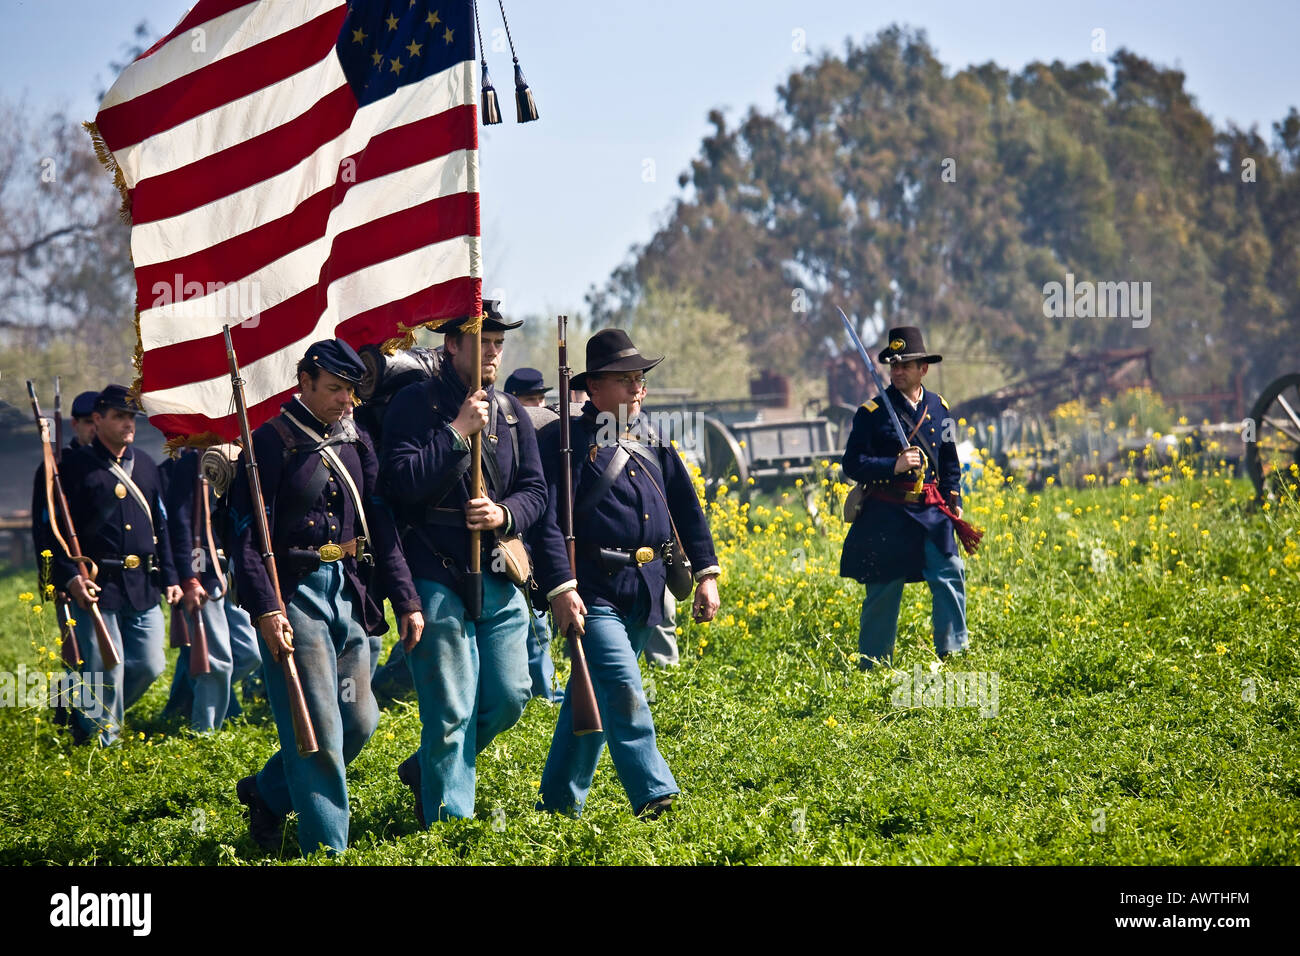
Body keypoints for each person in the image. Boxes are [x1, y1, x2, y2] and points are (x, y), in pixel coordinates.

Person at [229, 339, 423, 856]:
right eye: (335, 390)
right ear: (305, 383)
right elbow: (249, 535)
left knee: (359, 720)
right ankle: (328, 848)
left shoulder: (356, 440)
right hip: (294, 596)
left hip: (352, 594)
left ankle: (267, 793)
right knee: (316, 726)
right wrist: (267, 608)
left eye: (351, 391)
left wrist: (405, 598)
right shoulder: (268, 444)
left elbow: (379, 522)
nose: (346, 402)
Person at [531, 328, 721, 818]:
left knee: (588, 695)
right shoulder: (565, 443)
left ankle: (556, 803)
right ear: (592, 388)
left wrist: (706, 573)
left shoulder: (653, 438)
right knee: (622, 688)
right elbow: (549, 520)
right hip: (591, 592)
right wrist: (560, 587)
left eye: (640, 379)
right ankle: (656, 796)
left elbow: (686, 506)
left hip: (644, 591)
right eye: (625, 379)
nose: (637, 388)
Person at [382, 302, 547, 825]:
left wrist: (502, 513)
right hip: (434, 568)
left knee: (510, 695)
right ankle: (452, 829)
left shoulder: (513, 413)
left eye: (499, 342)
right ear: (452, 344)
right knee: (450, 710)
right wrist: (456, 433)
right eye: (484, 340)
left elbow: (536, 492)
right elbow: (399, 486)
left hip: (496, 568)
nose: (495, 351)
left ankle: (428, 769)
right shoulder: (413, 404)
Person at [52, 385, 182, 745]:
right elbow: (56, 532)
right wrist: (70, 578)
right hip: (98, 583)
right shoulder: (72, 469)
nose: (128, 424)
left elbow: (163, 526)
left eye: (131, 417)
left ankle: (84, 713)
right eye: (119, 416)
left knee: (150, 664)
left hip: (144, 582)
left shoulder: (147, 466)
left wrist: (171, 576)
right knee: (108, 670)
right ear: (98, 419)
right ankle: (105, 743)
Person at [839, 326, 970, 668]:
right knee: (883, 588)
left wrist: (953, 496)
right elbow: (852, 463)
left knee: (950, 572)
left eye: (905, 366)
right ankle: (873, 663)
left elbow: (950, 459)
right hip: (887, 513)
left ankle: (953, 652)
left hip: (932, 510)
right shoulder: (871, 413)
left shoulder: (941, 409)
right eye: (893, 366)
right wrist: (892, 465)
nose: (897, 372)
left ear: (923, 369)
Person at [162, 447, 262, 732]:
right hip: (203, 571)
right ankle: (203, 731)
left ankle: (194, 696)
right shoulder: (191, 463)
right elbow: (180, 525)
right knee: (216, 661)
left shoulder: (242, 457)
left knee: (249, 653)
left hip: (234, 570)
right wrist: (189, 577)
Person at [504, 366, 564, 702]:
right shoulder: (503, 432)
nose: (539, 405)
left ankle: (543, 688)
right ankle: (544, 693)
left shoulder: (544, 433)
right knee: (533, 624)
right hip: (510, 540)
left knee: (538, 620)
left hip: (537, 536)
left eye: (542, 398)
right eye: (531, 399)